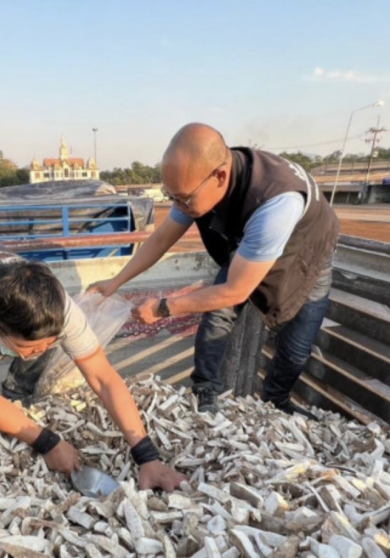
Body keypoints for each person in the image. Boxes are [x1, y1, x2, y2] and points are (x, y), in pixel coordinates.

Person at [0, 233, 186, 492]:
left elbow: (104, 377)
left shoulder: (56, 306)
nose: (39, 353)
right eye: (29, 348)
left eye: (49, 345)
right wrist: (48, 442)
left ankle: (15, 409)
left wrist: (147, 456)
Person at [90, 123, 339, 419]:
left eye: (184, 198)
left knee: (296, 345)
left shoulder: (275, 203)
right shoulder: (196, 182)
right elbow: (161, 238)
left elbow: (236, 290)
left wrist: (164, 308)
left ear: (220, 177)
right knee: (217, 316)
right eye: (173, 197)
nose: (179, 205)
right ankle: (205, 389)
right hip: (248, 247)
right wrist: (116, 282)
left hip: (305, 255)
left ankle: (276, 402)